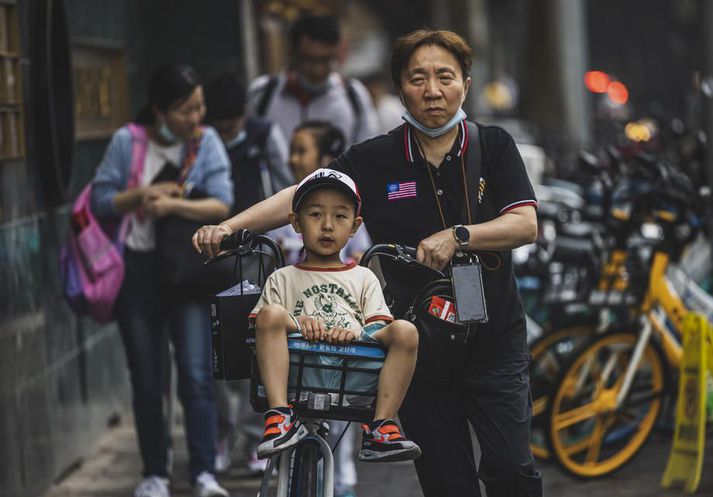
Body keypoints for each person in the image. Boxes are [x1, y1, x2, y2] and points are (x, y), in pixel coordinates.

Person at [193, 28, 541, 497]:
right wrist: (231, 228)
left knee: (511, 468)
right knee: (446, 482)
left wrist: (459, 237)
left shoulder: (493, 146)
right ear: (401, 88)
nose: (433, 90)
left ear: (466, 84)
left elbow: (524, 224)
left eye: (445, 77)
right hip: (419, 350)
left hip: (494, 340)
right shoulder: (375, 159)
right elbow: (303, 193)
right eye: (418, 78)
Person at [91, 64, 231, 497]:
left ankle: (204, 472)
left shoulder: (206, 142)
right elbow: (100, 200)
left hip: (186, 271)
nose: (197, 117)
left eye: (200, 106)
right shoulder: (126, 142)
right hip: (136, 270)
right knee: (148, 378)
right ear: (159, 112)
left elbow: (223, 205)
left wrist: (175, 206)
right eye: (186, 110)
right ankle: (155, 473)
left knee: (194, 374)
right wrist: (140, 198)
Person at [249, 168, 421, 465]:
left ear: (355, 227)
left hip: (352, 379)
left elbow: (378, 327)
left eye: (340, 217)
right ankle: (280, 417)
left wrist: (354, 331)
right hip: (295, 377)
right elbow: (263, 327)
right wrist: (297, 323)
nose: (327, 226)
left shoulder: (364, 277)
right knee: (271, 313)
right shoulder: (282, 278)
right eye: (315, 215)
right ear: (295, 222)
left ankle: (381, 425)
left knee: (405, 330)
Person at [204, 72, 295, 475]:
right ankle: (225, 432)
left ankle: (257, 433)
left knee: (259, 346)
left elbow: (284, 185)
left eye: (234, 122)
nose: (229, 131)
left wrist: (288, 236)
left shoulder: (262, 134)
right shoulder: (202, 140)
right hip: (212, 256)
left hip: (258, 256)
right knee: (221, 350)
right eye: (222, 124)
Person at [246, 14, 378, 146]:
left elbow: (368, 151)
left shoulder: (353, 96)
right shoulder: (263, 93)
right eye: (309, 60)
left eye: (326, 60)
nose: (318, 71)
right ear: (292, 53)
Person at [273, 120, 371, 265]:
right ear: (296, 221)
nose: (292, 159)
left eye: (301, 152)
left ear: (326, 159)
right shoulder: (277, 207)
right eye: (315, 214)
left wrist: (356, 262)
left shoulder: (348, 202)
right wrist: (277, 256)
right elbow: (267, 261)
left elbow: (362, 254)